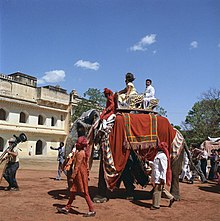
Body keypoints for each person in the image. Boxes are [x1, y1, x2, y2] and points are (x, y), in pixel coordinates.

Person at [57, 136, 96, 217]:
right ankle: (67, 207)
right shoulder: (82, 152)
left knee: (85, 192)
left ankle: (92, 210)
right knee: (73, 191)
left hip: (79, 175)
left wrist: (72, 176)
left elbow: (77, 167)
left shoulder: (80, 154)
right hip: (82, 174)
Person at [150, 142, 175, 210]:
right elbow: (156, 165)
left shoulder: (163, 156)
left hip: (159, 176)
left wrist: (162, 177)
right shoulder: (159, 155)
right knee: (161, 189)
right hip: (156, 175)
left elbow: (164, 168)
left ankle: (156, 205)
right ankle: (172, 198)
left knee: (157, 191)